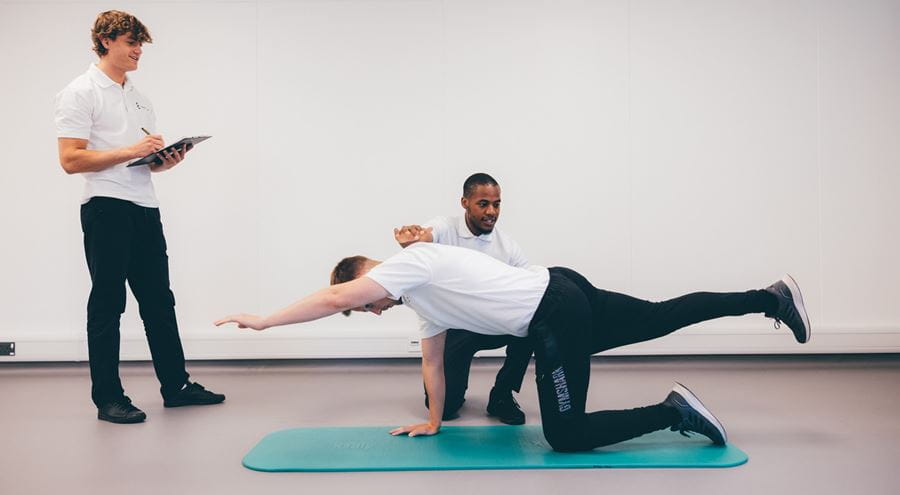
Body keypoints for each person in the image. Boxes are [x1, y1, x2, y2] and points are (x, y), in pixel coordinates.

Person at [215, 242, 810, 451]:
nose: (365, 309)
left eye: (361, 303)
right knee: (661, 316)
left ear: (364, 279)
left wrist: (266, 322)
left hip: (553, 313)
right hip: (562, 286)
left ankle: (672, 412)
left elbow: (330, 297)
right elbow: (432, 363)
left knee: (566, 435)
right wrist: (431, 421)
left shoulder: (408, 266)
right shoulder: (423, 299)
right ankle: (769, 297)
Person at [55, 10, 224, 424]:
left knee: (159, 302)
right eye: (132, 43)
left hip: (143, 206)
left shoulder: (138, 95)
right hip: (106, 209)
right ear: (106, 41)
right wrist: (132, 150)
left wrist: (165, 161)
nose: (138, 51)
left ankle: (176, 386)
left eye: (141, 44)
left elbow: (141, 164)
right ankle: (108, 399)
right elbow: (70, 159)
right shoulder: (80, 92)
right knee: (108, 304)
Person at [392, 173, 531, 424]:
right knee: (446, 410)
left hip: (492, 324)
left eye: (496, 204)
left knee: (534, 323)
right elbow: (426, 235)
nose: (491, 211)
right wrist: (413, 240)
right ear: (465, 202)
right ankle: (456, 389)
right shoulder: (446, 227)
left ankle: (502, 395)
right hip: (454, 330)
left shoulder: (507, 247)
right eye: (483, 204)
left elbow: (530, 291)